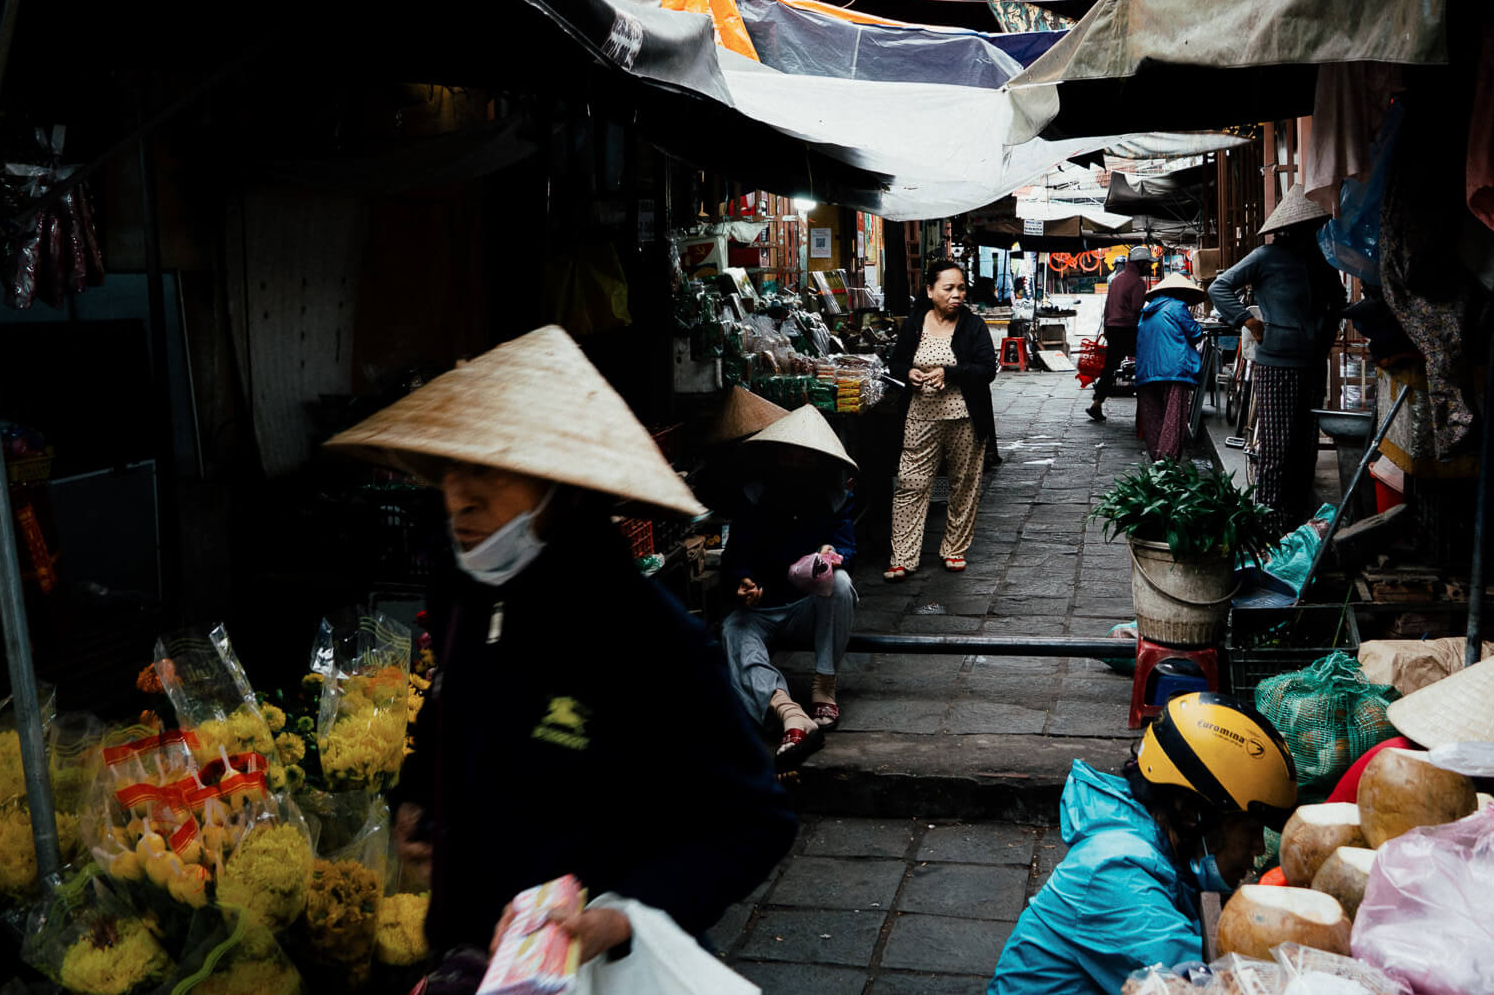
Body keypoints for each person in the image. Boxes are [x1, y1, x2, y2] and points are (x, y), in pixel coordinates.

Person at [326, 325, 797, 963]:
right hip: (472, 957)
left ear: (562, 487)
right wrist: (415, 799)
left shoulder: (647, 636)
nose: (459, 495)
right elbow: (450, 716)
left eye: (489, 467)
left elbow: (754, 821)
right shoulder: (469, 598)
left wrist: (624, 914)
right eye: (450, 468)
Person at [988, 693, 1299, 995]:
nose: (1259, 847)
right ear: (1191, 812)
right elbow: (1197, 985)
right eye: (1251, 830)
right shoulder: (1114, 875)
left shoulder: (1160, 848)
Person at [716, 405, 860, 764]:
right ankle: (787, 711)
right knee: (733, 632)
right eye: (789, 457)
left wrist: (832, 553)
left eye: (805, 459)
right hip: (763, 610)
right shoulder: (754, 497)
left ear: (819, 462)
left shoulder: (833, 499)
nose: (795, 465)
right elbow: (735, 557)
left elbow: (847, 547)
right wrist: (744, 582)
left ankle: (824, 685)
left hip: (808, 608)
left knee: (841, 585)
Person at [1207, 192, 1346, 531]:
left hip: (1312, 363)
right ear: (1293, 228)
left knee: (1305, 447)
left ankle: (1297, 524)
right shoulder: (1265, 257)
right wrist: (1247, 320)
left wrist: (1325, 336)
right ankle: (1268, 528)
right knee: (1277, 450)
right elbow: (1219, 287)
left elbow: (1339, 301)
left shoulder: (1322, 261)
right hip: (1278, 364)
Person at [885, 259, 998, 577]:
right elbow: (896, 363)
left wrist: (949, 373)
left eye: (961, 288)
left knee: (964, 486)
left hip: (964, 418)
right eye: (949, 288)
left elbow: (986, 369)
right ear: (930, 290)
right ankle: (903, 557)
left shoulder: (973, 326)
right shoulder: (915, 322)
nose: (957, 294)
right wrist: (909, 373)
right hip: (921, 417)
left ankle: (955, 549)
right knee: (911, 483)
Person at [1135, 273, 1209, 461]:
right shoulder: (1178, 306)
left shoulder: (1147, 312)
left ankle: (1157, 460)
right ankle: (1168, 463)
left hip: (1146, 372)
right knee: (1174, 418)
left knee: (1154, 419)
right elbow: (1195, 333)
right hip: (1174, 370)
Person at [1088, 245, 1155, 422]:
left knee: (1109, 367)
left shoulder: (1117, 280)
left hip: (1112, 328)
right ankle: (1149, 403)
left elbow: (1108, 306)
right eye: (1148, 263)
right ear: (1140, 263)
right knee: (1146, 361)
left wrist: (1107, 328)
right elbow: (1136, 309)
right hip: (1128, 329)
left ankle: (1097, 402)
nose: (1150, 266)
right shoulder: (1138, 283)